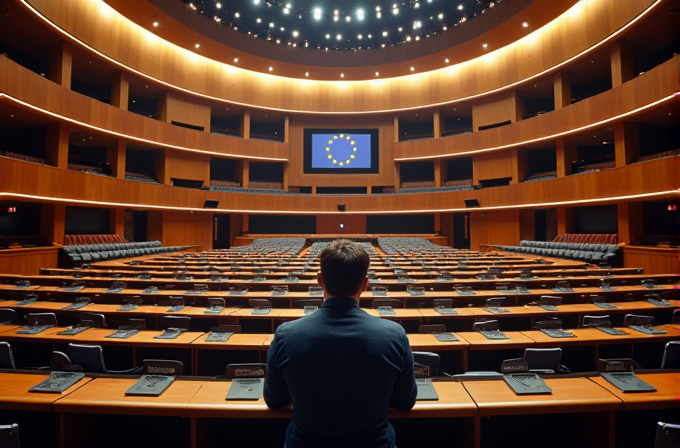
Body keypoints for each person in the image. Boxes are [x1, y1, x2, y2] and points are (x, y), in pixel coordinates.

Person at [264, 239, 417, 448]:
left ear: (320, 280)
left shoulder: (286, 335)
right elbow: (405, 402)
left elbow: (274, 400)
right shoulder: (394, 335)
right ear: (365, 284)